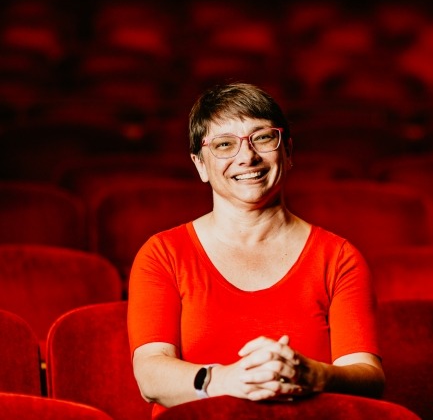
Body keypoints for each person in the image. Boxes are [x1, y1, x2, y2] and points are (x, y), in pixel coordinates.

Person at [127, 82, 385, 418]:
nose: (246, 157)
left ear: (288, 152)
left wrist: (311, 375)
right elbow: (150, 375)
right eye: (224, 145)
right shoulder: (162, 253)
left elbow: (369, 377)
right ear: (200, 165)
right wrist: (227, 380)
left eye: (262, 138)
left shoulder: (338, 257)